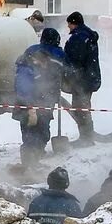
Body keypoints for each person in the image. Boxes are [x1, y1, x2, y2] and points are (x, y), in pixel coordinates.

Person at [12, 27, 66, 171]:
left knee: (29, 131)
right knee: (39, 131)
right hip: (39, 101)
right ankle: (31, 164)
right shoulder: (57, 54)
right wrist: (31, 107)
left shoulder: (30, 51)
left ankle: (31, 162)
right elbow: (25, 85)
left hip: (32, 101)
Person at [63, 11, 102, 145]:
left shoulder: (78, 37)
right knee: (83, 106)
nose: (68, 27)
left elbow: (74, 60)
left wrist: (68, 73)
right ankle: (87, 136)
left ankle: (86, 138)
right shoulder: (88, 36)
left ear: (73, 23)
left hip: (81, 80)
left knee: (80, 108)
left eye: (69, 24)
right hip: (89, 77)